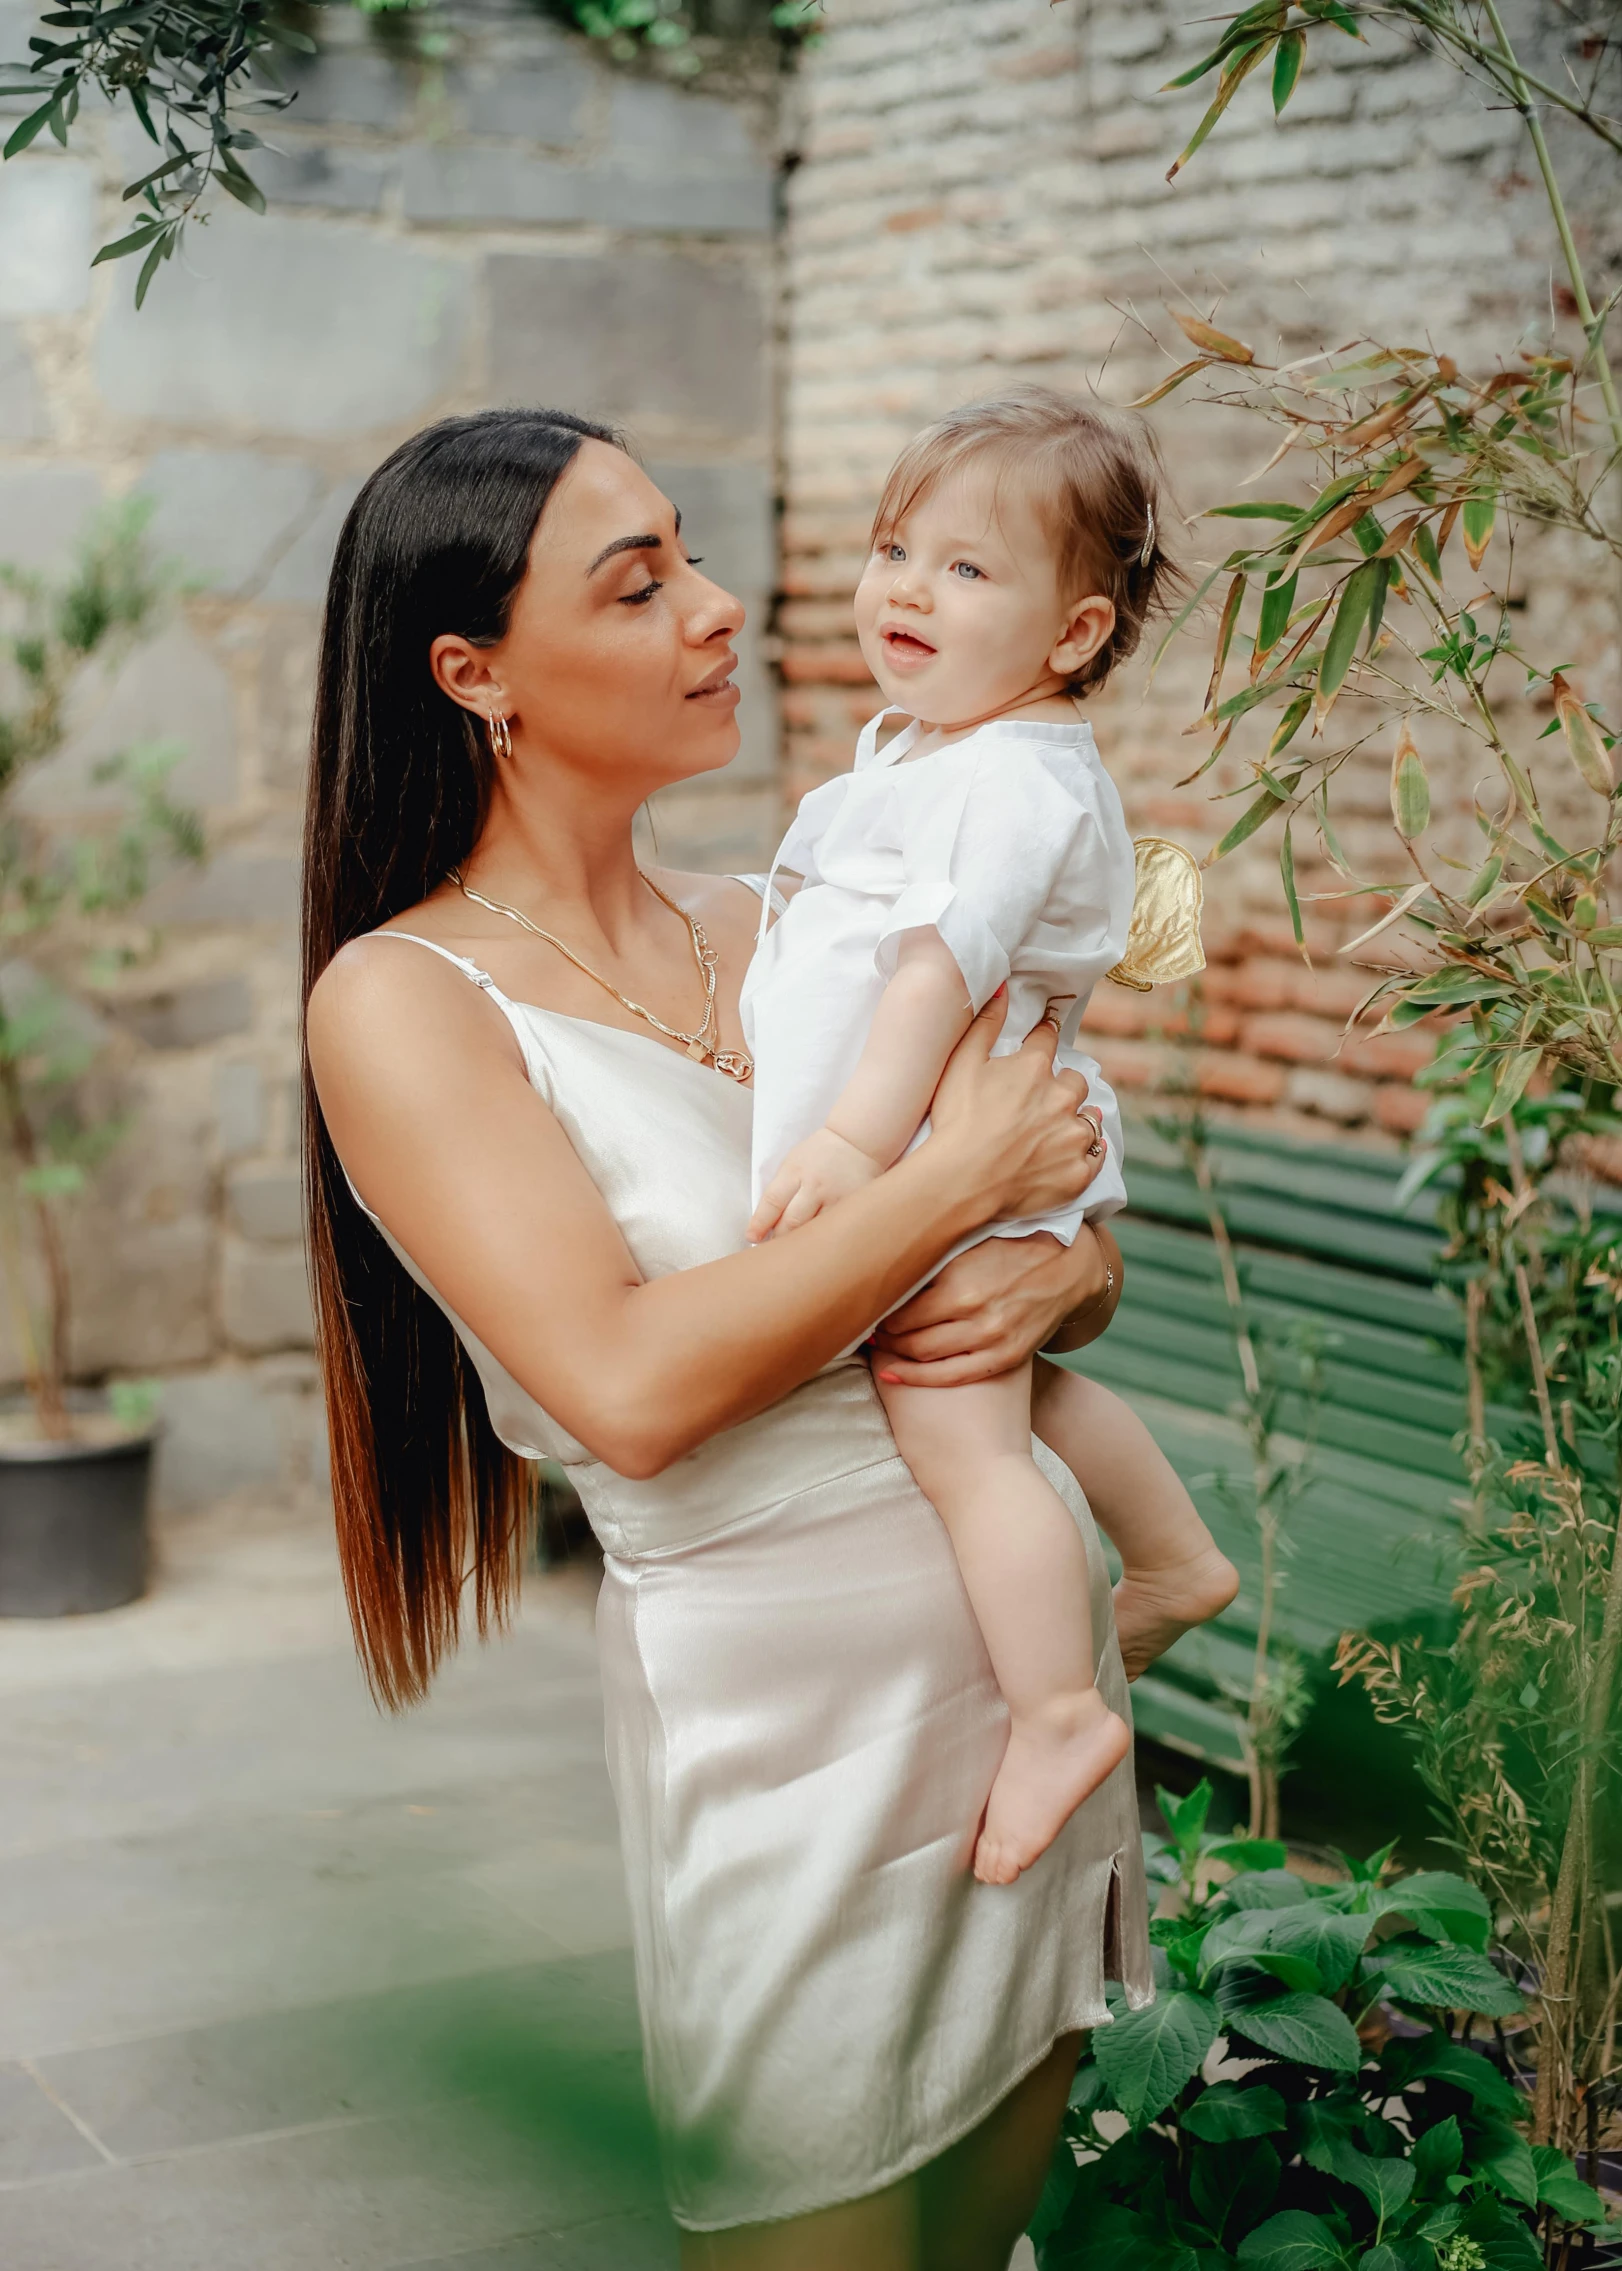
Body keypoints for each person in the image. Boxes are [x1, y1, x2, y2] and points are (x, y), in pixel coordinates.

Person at [304, 407, 1150, 2270]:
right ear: (477, 675)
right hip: (782, 1740)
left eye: (691, 555)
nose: (717, 608)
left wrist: (1069, 1268)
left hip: (1025, 1686)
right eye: (642, 584)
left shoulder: (784, 914)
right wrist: (947, 1194)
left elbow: (1043, 1169)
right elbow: (629, 1388)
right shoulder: (401, 999)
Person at [741, 390, 1238, 1889]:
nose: (906, 586)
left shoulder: (1009, 777)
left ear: (1072, 633)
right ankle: (1171, 1558)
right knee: (997, 1385)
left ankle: (1055, 1708)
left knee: (957, 1430)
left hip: (948, 1143)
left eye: (965, 569)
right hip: (962, 1151)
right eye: (897, 547)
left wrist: (847, 1140)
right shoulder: (939, 753)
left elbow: (936, 966)